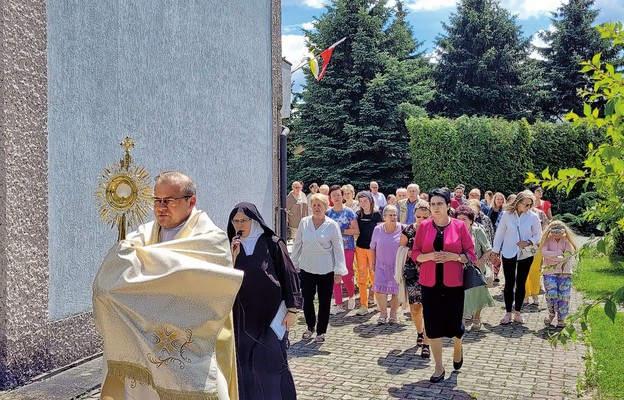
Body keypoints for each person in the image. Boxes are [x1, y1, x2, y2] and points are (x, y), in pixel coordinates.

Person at [94, 171, 242, 400]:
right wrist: (123, 255)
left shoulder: (212, 240)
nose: (161, 207)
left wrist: (151, 277)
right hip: (146, 341)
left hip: (193, 345)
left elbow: (208, 289)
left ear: (191, 201)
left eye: (169, 200)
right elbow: (110, 284)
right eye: (156, 200)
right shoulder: (140, 237)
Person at [227, 202, 302, 400]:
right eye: (236, 221)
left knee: (271, 362)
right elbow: (224, 279)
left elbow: (288, 274)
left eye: (244, 220)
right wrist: (231, 258)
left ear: (254, 220)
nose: (239, 225)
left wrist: (292, 309)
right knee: (245, 365)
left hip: (271, 315)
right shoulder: (230, 246)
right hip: (242, 317)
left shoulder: (272, 242)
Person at [412, 188, 475, 383]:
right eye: (433, 204)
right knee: (432, 326)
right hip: (429, 284)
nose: (436, 207)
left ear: (449, 206)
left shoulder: (459, 226)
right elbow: (414, 253)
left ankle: (458, 346)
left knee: (455, 325)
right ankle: (438, 366)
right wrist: (428, 257)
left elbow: (471, 254)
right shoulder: (423, 227)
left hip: (453, 283)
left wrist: (454, 257)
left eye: (440, 204)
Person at [291, 193, 347, 343]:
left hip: (326, 268)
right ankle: (310, 326)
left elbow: (338, 248)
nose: (316, 208)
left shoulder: (332, 225)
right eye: (314, 205)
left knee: (324, 301)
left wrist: (339, 271)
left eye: (319, 205)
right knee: (307, 299)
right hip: (307, 266)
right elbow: (297, 245)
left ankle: (321, 331)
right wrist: (293, 264)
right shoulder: (304, 222)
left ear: (325, 207)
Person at [491, 190, 542, 325]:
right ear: (518, 202)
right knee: (509, 283)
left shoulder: (533, 216)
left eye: (530, 205)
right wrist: (495, 251)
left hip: (525, 253)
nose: (528, 207)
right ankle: (508, 312)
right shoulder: (507, 215)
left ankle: (518, 312)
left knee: (521, 282)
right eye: (526, 204)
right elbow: (500, 234)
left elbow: (538, 234)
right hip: (509, 251)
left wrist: (528, 241)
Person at [398, 199, 431, 357]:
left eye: (425, 217)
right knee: (416, 307)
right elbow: (401, 248)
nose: (422, 220)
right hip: (413, 273)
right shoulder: (408, 230)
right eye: (419, 217)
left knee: (429, 308)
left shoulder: (434, 229)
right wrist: (410, 252)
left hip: (431, 272)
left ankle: (426, 342)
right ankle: (419, 331)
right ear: (414, 215)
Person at [455, 206, 494, 331]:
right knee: (461, 294)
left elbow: (488, 249)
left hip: (475, 268)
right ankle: (461, 319)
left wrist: (482, 260)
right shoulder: (453, 232)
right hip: (458, 268)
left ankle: (476, 319)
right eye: (458, 218)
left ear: (471, 220)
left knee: (476, 293)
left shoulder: (477, 231)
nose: (461, 221)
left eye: (464, 219)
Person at [326, 185, 359, 314]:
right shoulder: (328, 213)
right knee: (335, 275)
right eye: (333, 195)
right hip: (332, 248)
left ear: (342, 196)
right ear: (331, 198)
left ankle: (351, 295)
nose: (336, 197)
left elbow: (356, 231)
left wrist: (341, 231)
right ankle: (338, 304)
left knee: (347, 274)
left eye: (338, 195)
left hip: (347, 247)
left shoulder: (349, 212)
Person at [540, 220, 577, 328]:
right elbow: (544, 253)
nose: (557, 234)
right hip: (549, 271)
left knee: (564, 296)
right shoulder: (546, 240)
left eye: (559, 231)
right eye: (554, 231)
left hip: (564, 272)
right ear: (550, 231)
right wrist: (558, 254)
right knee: (551, 294)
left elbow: (568, 255)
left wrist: (553, 257)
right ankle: (551, 314)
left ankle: (561, 319)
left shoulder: (566, 241)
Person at [370, 205, 403, 324]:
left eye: (395, 215)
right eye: (390, 215)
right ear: (384, 217)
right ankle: (383, 314)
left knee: (396, 290)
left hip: (397, 266)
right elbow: (372, 247)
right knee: (380, 290)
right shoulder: (378, 229)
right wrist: (372, 263)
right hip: (381, 265)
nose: (393, 217)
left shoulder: (403, 228)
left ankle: (393, 314)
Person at [354, 191, 383, 315]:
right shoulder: (358, 214)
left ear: (370, 201)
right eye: (360, 201)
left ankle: (378, 303)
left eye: (365, 201)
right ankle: (363, 305)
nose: (363, 203)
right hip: (360, 248)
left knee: (374, 276)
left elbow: (380, 233)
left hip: (372, 249)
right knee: (361, 277)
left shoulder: (377, 215)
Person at [485, 192, 505, 283]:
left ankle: (496, 274)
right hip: (489, 234)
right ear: (494, 200)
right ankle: (488, 272)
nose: (500, 201)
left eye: (501, 199)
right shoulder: (488, 209)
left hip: (500, 234)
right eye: (498, 199)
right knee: (489, 252)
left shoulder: (504, 211)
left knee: (497, 254)